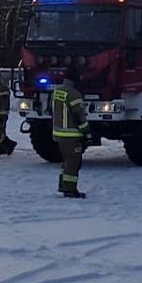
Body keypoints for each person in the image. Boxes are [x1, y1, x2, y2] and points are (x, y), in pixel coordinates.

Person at [50, 65, 89, 198]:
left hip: (59, 133)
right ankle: (70, 190)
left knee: (66, 161)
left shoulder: (57, 91)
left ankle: (63, 185)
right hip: (72, 135)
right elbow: (79, 116)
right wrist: (86, 132)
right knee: (73, 162)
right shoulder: (74, 94)